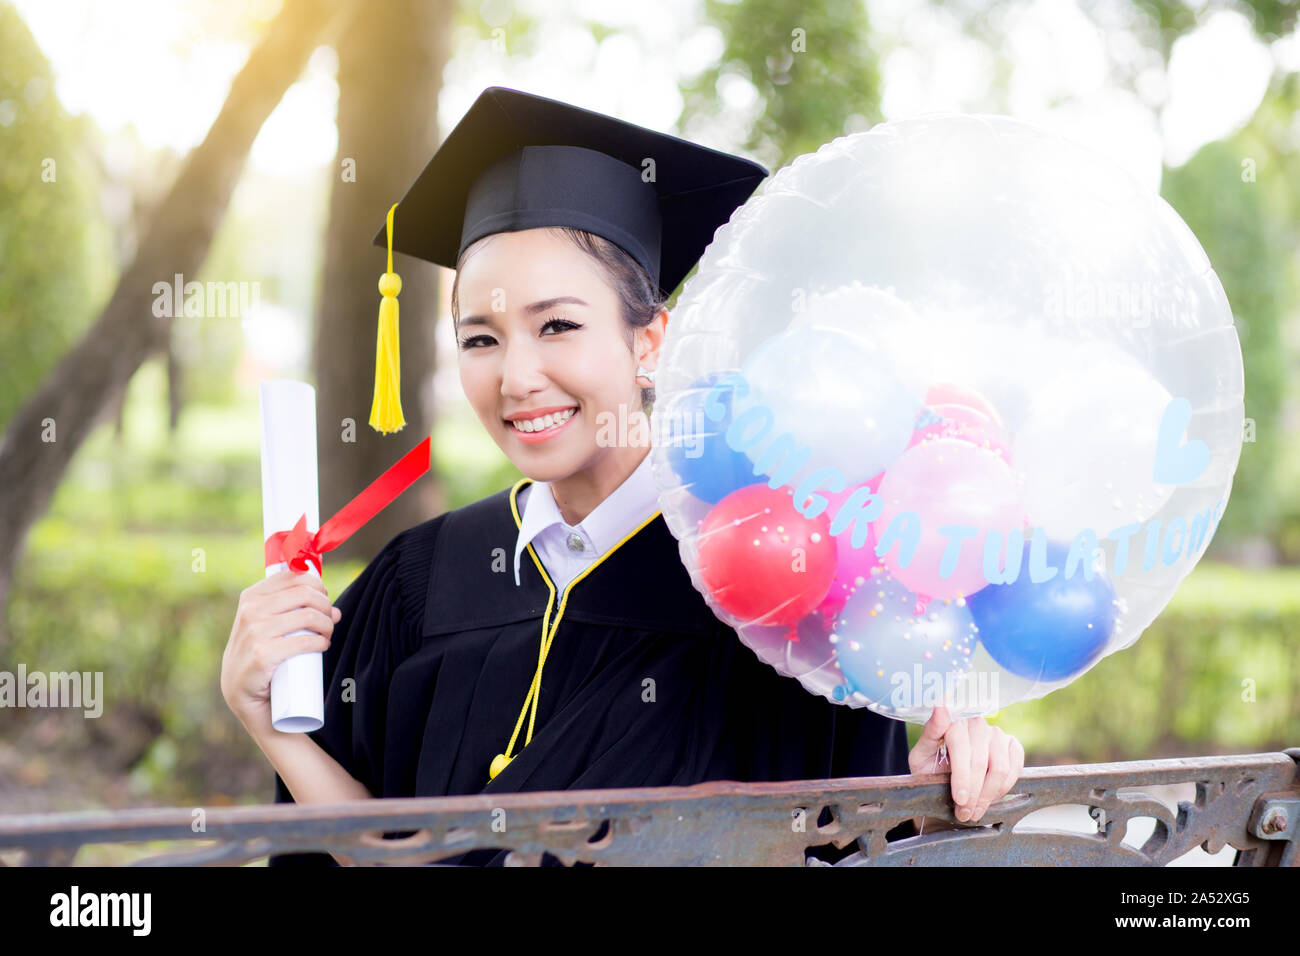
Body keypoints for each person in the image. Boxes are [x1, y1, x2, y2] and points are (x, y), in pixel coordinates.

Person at [221, 86, 1024, 867]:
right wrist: (270, 724)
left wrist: (931, 788)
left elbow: (848, 844)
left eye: (558, 325)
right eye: (480, 339)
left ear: (650, 342)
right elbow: (378, 856)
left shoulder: (768, 585)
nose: (517, 376)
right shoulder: (419, 582)